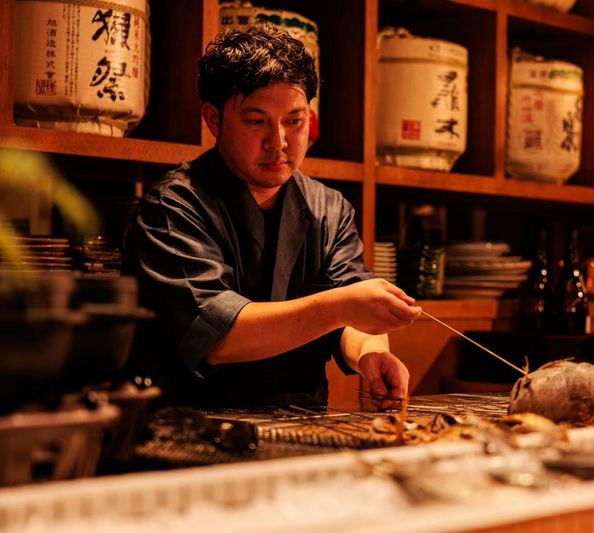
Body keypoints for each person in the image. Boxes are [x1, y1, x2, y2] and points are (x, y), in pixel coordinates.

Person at [123, 24, 421, 410]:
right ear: (214, 119)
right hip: (191, 427)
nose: (278, 142)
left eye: (294, 121)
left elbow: (353, 310)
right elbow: (217, 335)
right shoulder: (173, 206)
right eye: (256, 121)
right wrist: (340, 305)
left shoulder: (328, 209)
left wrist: (370, 352)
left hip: (301, 427)